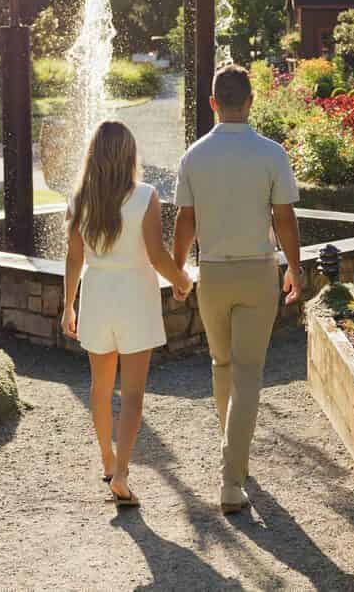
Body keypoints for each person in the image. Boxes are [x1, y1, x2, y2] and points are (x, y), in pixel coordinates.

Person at [171, 64, 303, 514]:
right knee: (248, 372)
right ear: (250, 102)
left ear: (213, 103)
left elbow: (184, 221)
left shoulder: (193, 156)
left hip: (212, 273)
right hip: (257, 272)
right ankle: (232, 477)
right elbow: (284, 218)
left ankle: (235, 460)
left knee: (222, 364)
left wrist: (176, 272)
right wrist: (296, 269)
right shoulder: (272, 153)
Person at [60, 120, 193, 508]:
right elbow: (156, 255)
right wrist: (182, 280)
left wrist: (68, 304)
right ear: (130, 155)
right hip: (136, 295)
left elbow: (73, 258)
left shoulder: (78, 199)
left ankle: (106, 460)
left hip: (98, 295)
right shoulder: (145, 196)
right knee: (132, 393)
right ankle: (121, 473)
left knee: (101, 388)